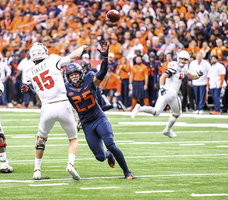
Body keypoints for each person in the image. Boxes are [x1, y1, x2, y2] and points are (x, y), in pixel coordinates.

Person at [65, 40, 134, 180]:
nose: (74, 76)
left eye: (76, 74)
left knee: (111, 144)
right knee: (100, 157)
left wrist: (104, 58)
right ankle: (109, 155)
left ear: (81, 73)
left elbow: (102, 73)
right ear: (68, 77)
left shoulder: (90, 79)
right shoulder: (65, 89)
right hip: (86, 124)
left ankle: (127, 171)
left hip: (98, 117)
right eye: (71, 75)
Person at [24, 42, 88, 180]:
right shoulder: (52, 59)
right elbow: (74, 56)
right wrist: (82, 47)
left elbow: (38, 95)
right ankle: (70, 164)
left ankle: (37, 170)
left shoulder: (29, 73)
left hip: (47, 107)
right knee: (73, 138)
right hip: (63, 105)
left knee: (41, 139)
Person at [131, 50, 204, 138]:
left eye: (185, 59)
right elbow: (163, 76)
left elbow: (192, 76)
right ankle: (167, 130)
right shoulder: (175, 66)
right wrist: (161, 87)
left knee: (156, 112)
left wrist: (199, 75)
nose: (183, 61)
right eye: (182, 59)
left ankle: (140, 108)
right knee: (178, 112)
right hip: (170, 92)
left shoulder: (184, 68)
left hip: (164, 92)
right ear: (178, 58)